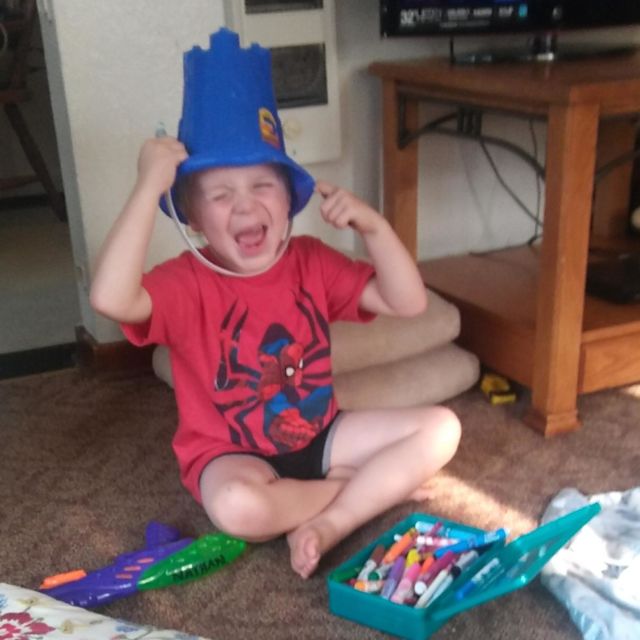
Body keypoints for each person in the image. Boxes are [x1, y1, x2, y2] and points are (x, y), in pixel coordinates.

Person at [90, 28, 460, 579]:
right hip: (230, 456)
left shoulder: (312, 260)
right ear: (193, 217)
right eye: (220, 194)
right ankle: (357, 493)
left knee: (442, 428)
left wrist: (375, 228)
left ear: (290, 198)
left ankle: (329, 522)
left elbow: (408, 302)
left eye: (263, 186)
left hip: (322, 437)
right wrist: (148, 188)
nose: (245, 206)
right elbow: (109, 297)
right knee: (239, 509)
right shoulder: (185, 281)